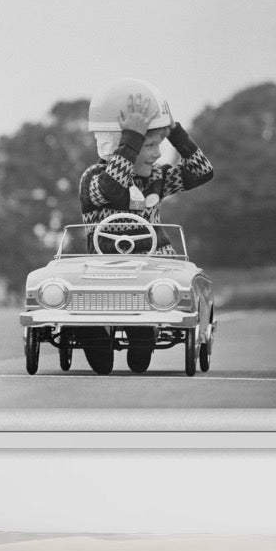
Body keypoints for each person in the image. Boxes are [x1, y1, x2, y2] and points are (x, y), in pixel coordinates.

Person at [71, 78, 214, 374]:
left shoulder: (155, 178)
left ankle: (142, 333)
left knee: (141, 360)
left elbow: (203, 172)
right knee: (100, 356)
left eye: (157, 144)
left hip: (150, 271)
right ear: (119, 145)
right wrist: (133, 137)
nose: (157, 153)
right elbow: (112, 188)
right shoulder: (92, 178)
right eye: (149, 145)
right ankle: (92, 332)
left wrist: (174, 132)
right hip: (106, 271)